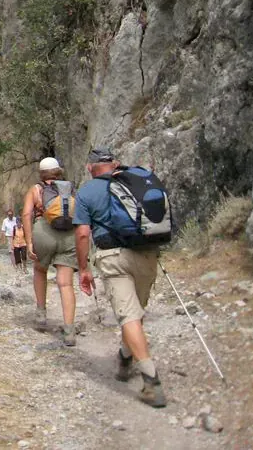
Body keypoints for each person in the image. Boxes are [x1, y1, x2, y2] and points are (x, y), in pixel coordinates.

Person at [73, 147, 167, 408]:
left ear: (90, 167)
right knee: (136, 312)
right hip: (147, 253)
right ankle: (125, 358)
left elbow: (82, 234)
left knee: (128, 316)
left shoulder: (87, 191)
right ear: (113, 163)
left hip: (113, 258)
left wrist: (83, 269)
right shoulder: (135, 181)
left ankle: (151, 383)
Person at [22, 157, 78, 346]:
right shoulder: (69, 189)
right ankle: (69, 330)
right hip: (70, 235)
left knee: (40, 269)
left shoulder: (36, 190)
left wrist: (29, 242)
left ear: (41, 173)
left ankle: (41, 313)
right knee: (66, 283)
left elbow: (27, 214)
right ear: (58, 171)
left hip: (43, 231)